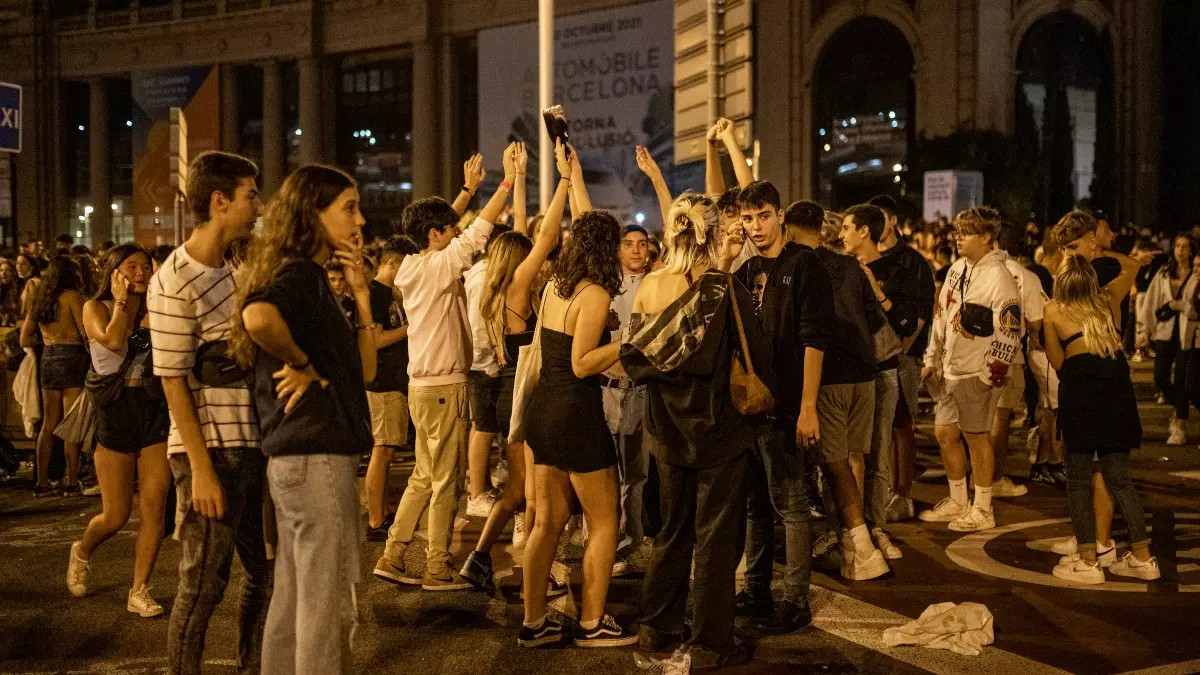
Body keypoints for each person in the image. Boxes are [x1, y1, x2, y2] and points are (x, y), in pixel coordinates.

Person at [235, 164, 377, 674]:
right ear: (312, 213)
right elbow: (257, 317)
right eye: (349, 207)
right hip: (316, 455)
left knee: (294, 597)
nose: (359, 220)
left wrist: (361, 295)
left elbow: (365, 369)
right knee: (325, 603)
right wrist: (299, 361)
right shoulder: (297, 274)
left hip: (298, 458)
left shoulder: (309, 275)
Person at [621, 191, 764, 667]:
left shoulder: (649, 287)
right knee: (717, 539)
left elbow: (635, 360)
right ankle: (709, 642)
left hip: (665, 429)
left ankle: (657, 630)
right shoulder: (725, 288)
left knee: (671, 534)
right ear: (713, 233)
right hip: (718, 429)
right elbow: (753, 356)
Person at [148, 150, 270, 675]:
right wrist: (199, 469)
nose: (258, 206)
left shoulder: (234, 268)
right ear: (220, 201)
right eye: (250, 196)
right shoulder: (175, 278)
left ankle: (253, 666)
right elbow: (172, 379)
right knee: (202, 586)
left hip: (251, 446)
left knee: (264, 574)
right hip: (211, 454)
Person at [374, 143, 516, 591]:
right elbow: (476, 234)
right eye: (448, 229)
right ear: (436, 235)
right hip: (445, 387)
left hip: (422, 387)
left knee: (422, 475)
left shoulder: (414, 264)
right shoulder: (437, 266)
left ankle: (394, 554)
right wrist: (506, 181)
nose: (457, 231)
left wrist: (465, 190)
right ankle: (437, 566)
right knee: (445, 482)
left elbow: (444, 232)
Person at [516, 199, 638, 648]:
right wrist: (626, 342)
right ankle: (592, 622)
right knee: (605, 521)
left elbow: (564, 344)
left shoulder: (555, 286)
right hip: (576, 415)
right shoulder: (596, 294)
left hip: (543, 412)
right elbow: (583, 364)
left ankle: (534, 623)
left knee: (545, 523)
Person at [460, 143, 568, 593]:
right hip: (521, 393)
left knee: (520, 488)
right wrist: (562, 180)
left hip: (507, 388)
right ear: (518, 261)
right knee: (537, 491)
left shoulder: (492, 283)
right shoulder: (518, 290)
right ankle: (535, 581)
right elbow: (542, 238)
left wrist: (519, 177)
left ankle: (480, 558)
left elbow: (522, 232)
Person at [728, 181, 831, 635]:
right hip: (748, 407)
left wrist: (808, 406)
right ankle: (756, 588)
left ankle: (796, 599)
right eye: (748, 219)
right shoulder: (746, 269)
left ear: (780, 215)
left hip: (787, 404)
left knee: (791, 505)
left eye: (763, 216)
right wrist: (727, 257)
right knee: (753, 504)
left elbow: (815, 340)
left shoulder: (805, 264)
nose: (755, 227)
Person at [785, 201, 891, 580]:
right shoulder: (849, 266)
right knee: (852, 459)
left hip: (827, 374)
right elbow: (875, 319)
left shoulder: (799, 266)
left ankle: (859, 546)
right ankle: (852, 547)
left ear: (791, 229)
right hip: (864, 373)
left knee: (834, 463)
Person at [67, 244, 171, 617]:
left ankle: (140, 589)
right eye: (132, 266)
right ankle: (82, 550)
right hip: (115, 412)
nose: (142, 272)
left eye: (146, 266)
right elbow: (112, 340)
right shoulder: (96, 308)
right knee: (116, 515)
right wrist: (123, 303)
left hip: (154, 409)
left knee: (155, 506)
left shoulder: (159, 305)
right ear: (115, 271)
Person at [1043, 254, 1160, 584]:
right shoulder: (1108, 298)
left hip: (1080, 389)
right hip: (1117, 389)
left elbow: (1057, 362)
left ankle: (1088, 562)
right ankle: (1143, 559)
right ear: (1092, 281)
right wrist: (1101, 249)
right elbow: (1133, 267)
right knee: (1120, 479)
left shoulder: (1053, 309)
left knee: (1079, 481)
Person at [920, 206, 1022, 533]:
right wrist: (932, 360)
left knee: (977, 439)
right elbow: (941, 316)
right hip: (950, 370)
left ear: (987, 237)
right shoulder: (956, 269)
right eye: (958, 231)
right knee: (945, 433)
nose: (958, 237)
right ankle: (958, 500)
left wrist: (988, 375)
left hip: (975, 372)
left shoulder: (1000, 277)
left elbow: (1010, 330)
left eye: (967, 232)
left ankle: (983, 508)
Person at [839, 204, 911, 560]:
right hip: (849, 372)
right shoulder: (841, 267)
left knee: (879, 452)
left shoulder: (895, 270)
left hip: (882, 370)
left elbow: (906, 324)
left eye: (847, 228)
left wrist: (874, 288)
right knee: (846, 454)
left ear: (864, 231)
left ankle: (875, 525)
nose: (842, 236)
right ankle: (849, 529)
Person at [868, 195, 935, 523]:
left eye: (880, 217)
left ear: (892, 221)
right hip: (872, 358)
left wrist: (902, 348)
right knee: (879, 428)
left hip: (903, 357)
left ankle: (903, 493)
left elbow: (922, 311)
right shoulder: (862, 259)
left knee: (902, 425)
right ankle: (886, 489)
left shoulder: (912, 262)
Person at [22, 255, 87, 497]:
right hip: (72, 359)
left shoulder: (39, 300)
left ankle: (41, 482)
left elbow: (24, 339)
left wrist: (46, 342)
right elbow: (85, 332)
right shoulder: (72, 297)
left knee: (49, 424)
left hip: (48, 359)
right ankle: (71, 480)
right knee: (71, 424)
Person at [363, 236, 415, 541]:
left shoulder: (387, 294)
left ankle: (380, 511)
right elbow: (376, 340)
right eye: (404, 266)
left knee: (386, 450)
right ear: (391, 262)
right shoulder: (375, 295)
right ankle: (375, 520)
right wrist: (411, 328)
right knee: (381, 451)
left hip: (391, 381)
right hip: (382, 382)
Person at [991, 223, 1046, 496]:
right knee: (999, 421)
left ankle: (978, 478)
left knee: (977, 421)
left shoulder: (973, 271)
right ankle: (993, 479)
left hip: (971, 354)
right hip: (1008, 356)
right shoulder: (1025, 277)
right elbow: (1036, 322)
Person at [1137, 234, 1197, 445]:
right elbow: (1151, 301)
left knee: (1181, 379)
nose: (1180, 250)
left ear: (1192, 250)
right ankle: (1179, 406)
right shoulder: (1163, 274)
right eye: (1177, 245)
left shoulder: (1196, 275)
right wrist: (1143, 331)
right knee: (1160, 377)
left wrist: (1182, 307)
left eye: (1185, 246)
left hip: (1187, 334)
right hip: (1164, 331)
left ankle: (1179, 424)